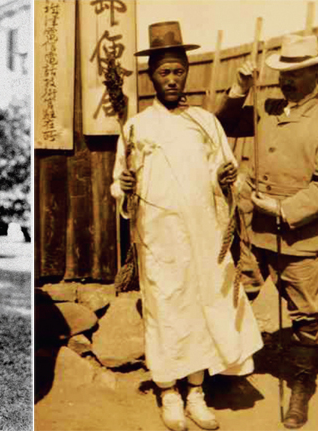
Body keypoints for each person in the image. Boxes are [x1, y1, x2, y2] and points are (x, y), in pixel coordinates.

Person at [111, 21, 263, 431]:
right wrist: (124, 187)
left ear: (186, 74)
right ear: (151, 77)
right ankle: (168, 391)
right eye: (164, 72)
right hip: (159, 237)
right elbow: (119, 185)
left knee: (201, 305)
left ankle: (196, 390)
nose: (172, 79)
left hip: (203, 232)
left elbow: (222, 169)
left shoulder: (205, 122)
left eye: (178, 71)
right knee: (165, 308)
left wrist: (226, 179)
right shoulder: (137, 127)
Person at [215, 34, 318, 429]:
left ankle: (301, 387)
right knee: (237, 296)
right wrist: (240, 88)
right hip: (254, 231)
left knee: (304, 314)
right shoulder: (268, 108)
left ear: (316, 73)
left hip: (301, 236)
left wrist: (282, 208)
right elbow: (220, 125)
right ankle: (226, 373)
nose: (286, 81)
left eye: (296, 73)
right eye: (282, 73)